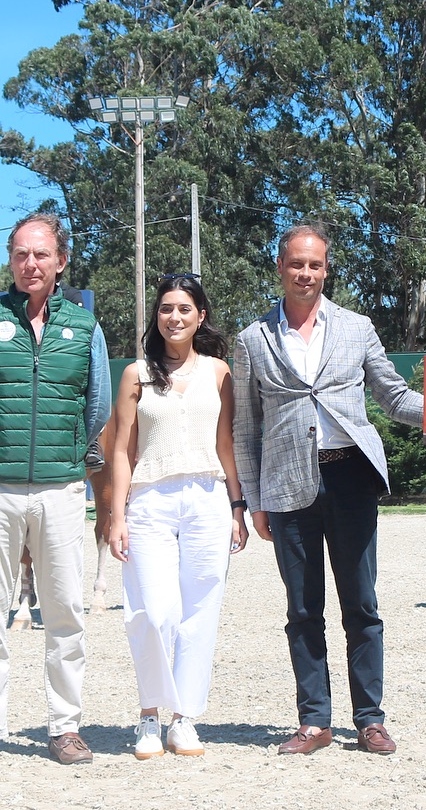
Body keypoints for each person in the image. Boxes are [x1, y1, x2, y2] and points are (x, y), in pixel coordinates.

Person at [233, 222, 426, 755]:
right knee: (302, 609)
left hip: (350, 477)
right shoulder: (252, 339)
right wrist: (251, 501)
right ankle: (314, 722)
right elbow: (245, 428)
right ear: (280, 267)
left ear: (327, 270)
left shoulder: (357, 327)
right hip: (286, 485)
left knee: (362, 604)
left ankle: (370, 718)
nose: (306, 273)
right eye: (297, 264)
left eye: (315, 265)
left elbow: (394, 397)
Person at [107, 273, 247, 759]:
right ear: (156, 316)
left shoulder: (219, 373)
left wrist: (237, 506)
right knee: (152, 610)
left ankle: (183, 718)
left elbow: (226, 444)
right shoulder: (135, 374)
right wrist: (117, 514)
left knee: (200, 610)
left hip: (208, 498)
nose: (175, 317)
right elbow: (122, 450)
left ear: (200, 316)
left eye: (185, 309)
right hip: (149, 501)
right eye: (166, 308)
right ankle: (149, 715)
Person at [0, 212, 111, 764]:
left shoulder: (84, 327)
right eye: (20, 253)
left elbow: (99, 404)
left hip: (62, 490)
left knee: (65, 611)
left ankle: (64, 727)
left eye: (41, 254)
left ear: (61, 261)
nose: (30, 264)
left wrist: (71, 455)